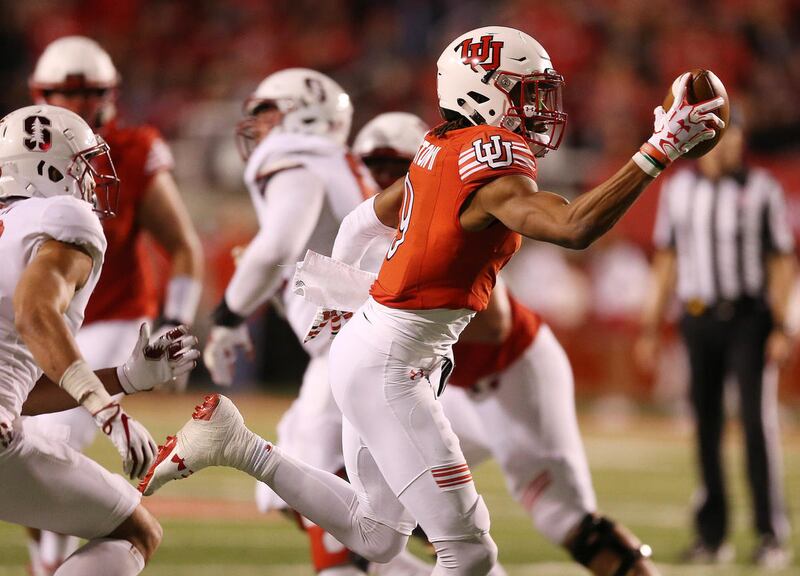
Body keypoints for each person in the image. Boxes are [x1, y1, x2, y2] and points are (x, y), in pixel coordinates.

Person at [141, 26, 723, 575]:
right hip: (393, 362)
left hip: (379, 348)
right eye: (525, 93)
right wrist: (660, 149)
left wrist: (351, 298)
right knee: (467, 550)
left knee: (377, 534)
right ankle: (234, 440)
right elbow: (573, 228)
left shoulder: (437, 148)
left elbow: (359, 224)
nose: (538, 108)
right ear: (482, 91)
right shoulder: (492, 166)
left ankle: (236, 443)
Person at [350, 111, 659, 576]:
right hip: (448, 387)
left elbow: (493, 323)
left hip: (509, 374)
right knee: (388, 509)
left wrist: (392, 314)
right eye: (373, 166)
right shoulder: (384, 222)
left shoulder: (461, 201)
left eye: (395, 166)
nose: (384, 179)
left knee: (567, 521)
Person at [22, 35, 204, 574]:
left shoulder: (129, 151)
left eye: (90, 91)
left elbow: (184, 247)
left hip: (115, 315)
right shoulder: (17, 158)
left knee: (48, 433)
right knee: (32, 434)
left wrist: (174, 323)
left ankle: (49, 561)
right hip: (39, 325)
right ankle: (48, 560)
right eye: (63, 92)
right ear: (39, 92)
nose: (78, 102)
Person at [201, 67, 378, 576]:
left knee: (312, 471)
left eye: (266, 111)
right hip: (370, 336)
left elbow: (279, 242)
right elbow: (308, 259)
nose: (256, 125)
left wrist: (227, 314)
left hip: (359, 343)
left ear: (302, 113)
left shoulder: (296, 156)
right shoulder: (339, 164)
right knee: (302, 483)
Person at [635, 121, 794, 568]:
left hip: (749, 319)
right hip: (698, 317)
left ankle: (769, 534)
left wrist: (783, 326)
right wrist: (650, 326)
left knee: (755, 426)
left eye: (736, 136)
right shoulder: (679, 190)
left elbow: (781, 260)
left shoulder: (761, 188)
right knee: (704, 427)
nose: (728, 147)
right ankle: (711, 536)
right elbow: (667, 259)